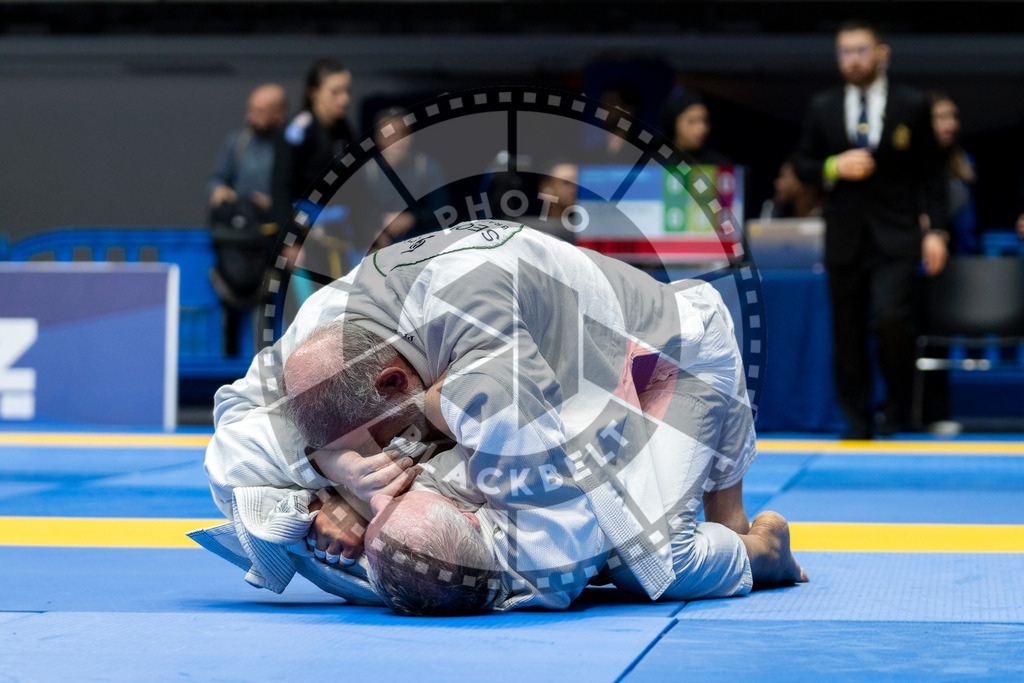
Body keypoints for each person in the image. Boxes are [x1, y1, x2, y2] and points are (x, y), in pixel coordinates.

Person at [196, 220, 806, 614]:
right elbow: (232, 431)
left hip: (666, 365)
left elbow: (559, 560)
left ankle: (763, 553)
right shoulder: (326, 326)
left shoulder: (491, 374)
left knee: (654, 562)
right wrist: (325, 473)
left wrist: (381, 517)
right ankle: (734, 526)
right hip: (568, 376)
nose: (384, 457)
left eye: (379, 442)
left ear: (393, 379)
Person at [793, 20, 947, 439]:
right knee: (847, 331)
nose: (853, 60)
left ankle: (895, 410)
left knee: (892, 319)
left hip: (897, 233)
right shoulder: (823, 106)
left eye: (861, 50)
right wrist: (833, 165)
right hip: (845, 235)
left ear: (882, 53)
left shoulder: (912, 104)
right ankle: (857, 421)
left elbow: (932, 176)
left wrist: (937, 232)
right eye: (845, 52)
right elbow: (803, 164)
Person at [206, 84, 289, 354]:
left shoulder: (291, 148)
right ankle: (227, 368)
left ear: (279, 114)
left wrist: (274, 203)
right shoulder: (237, 143)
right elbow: (218, 178)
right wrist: (218, 190)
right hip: (239, 241)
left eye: (261, 111)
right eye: (251, 110)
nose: (252, 117)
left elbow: (303, 192)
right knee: (229, 304)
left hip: (272, 243)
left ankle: (265, 372)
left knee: (268, 310)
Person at [359, 107, 448, 250]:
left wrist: (413, 219)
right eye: (389, 134)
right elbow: (355, 214)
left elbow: (443, 209)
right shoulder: (366, 172)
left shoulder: (427, 167)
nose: (398, 141)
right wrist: (373, 234)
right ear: (378, 138)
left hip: (421, 246)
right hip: (378, 250)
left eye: (403, 133)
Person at [931, 93, 978, 255]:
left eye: (953, 117)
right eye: (942, 117)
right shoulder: (910, 160)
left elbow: (966, 225)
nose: (951, 124)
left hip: (959, 255)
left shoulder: (964, 160)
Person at [659, 89, 731, 166]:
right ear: (673, 123)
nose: (702, 128)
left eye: (705, 120)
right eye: (692, 121)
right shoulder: (656, 162)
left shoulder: (720, 164)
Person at [760, 156, 824, 220]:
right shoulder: (778, 213)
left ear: (799, 181)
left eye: (782, 176)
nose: (777, 183)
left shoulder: (823, 214)